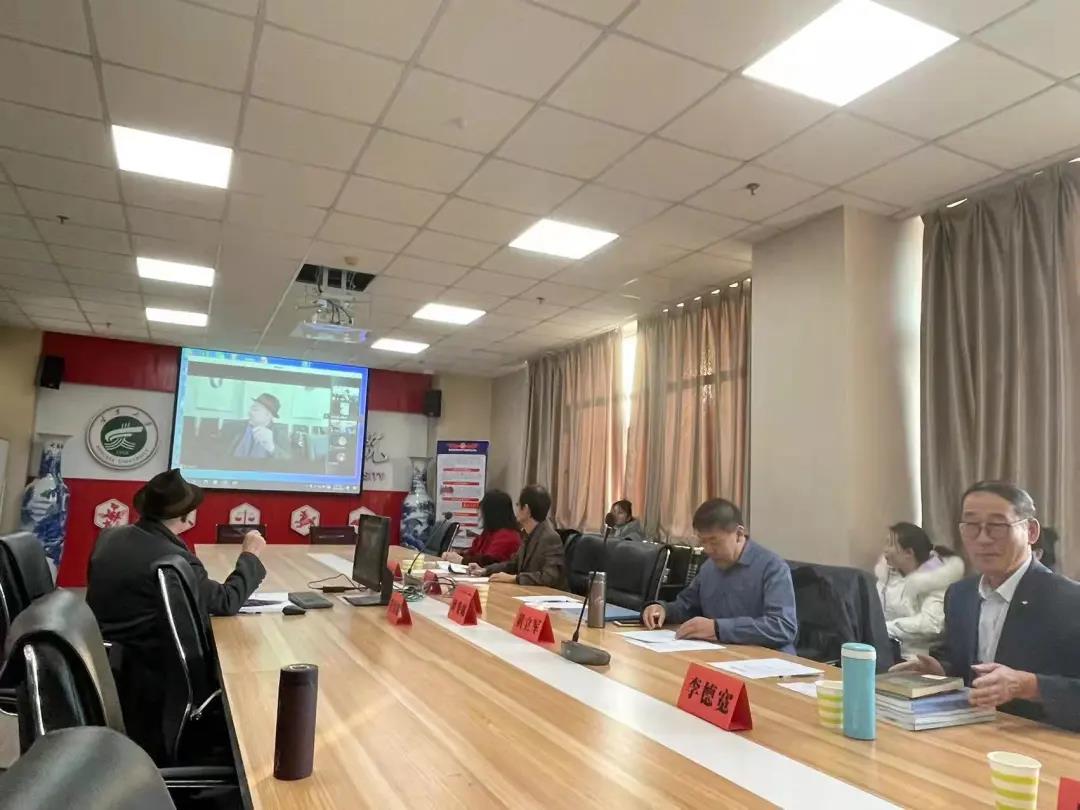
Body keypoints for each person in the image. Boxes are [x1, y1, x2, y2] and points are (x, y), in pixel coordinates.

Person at [86, 468, 267, 760]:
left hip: (109, 662)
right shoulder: (172, 559)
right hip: (155, 677)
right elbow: (226, 601)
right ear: (188, 516)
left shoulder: (110, 537)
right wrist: (250, 556)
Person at [891, 481, 1080, 731]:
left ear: (1031, 532)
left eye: (997, 526)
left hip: (1038, 740)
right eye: (972, 526)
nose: (983, 539)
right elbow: (961, 665)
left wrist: (1029, 686)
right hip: (970, 732)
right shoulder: (960, 595)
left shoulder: (1069, 601)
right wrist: (939, 670)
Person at [640, 498, 797, 652]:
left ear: (739, 534)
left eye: (714, 542)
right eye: (702, 542)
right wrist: (662, 609)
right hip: (723, 654)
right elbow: (687, 606)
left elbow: (782, 626)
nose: (708, 549)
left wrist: (718, 629)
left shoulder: (772, 567)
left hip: (769, 660)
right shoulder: (709, 567)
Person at [875, 522, 965, 659]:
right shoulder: (888, 576)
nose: (885, 550)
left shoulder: (936, 579)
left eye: (890, 544)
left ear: (908, 553)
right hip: (885, 648)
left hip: (917, 657)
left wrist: (883, 628)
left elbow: (931, 624)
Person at [469, 484, 566, 588]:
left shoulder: (550, 538)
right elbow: (513, 564)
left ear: (526, 509)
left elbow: (549, 577)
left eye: (518, 505)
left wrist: (514, 578)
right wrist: (485, 570)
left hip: (547, 595)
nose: (516, 510)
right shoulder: (527, 533)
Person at [443, 490, 522, 566]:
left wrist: (462, 560)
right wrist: (455, 556)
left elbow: (489, 561)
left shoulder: (508, 536)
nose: (480, 515)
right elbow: (472, 553)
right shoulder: (489, 532)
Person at [231, 392, 282, 459]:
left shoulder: (280, 434)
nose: (249, 412)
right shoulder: (236, 427)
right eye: (251, 408)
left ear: (268, 415)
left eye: (255, 410)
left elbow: (287, 461)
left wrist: (272, 448)